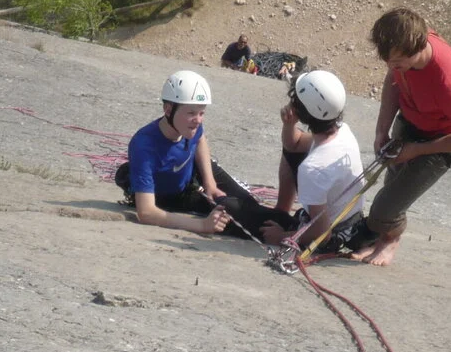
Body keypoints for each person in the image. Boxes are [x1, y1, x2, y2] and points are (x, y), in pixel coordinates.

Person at [351, 8, 451, 266]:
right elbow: (393, 77)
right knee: (390, 193)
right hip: (411, 121)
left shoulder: (449, 81)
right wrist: (382, 130)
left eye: (397, 62)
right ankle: (384, 238)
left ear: (417, 48)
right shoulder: (404, 50)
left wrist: (415, 150)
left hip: (442, 141)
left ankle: (391, 240)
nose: (392, 68)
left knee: (384, 209)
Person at [118, 70, 270, 237]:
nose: (198, 120)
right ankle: (281, 236)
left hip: (192, 173)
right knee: (233, 210)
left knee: (248, 203)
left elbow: (200, 139)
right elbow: (146, 212)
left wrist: (210, 183)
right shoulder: (144, 145)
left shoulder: (190, 126)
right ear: (168, 110)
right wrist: (202, 225)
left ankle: (292, 226)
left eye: (201, 113)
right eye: (191, 113)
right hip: (172, 196)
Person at [258, 70, 372, 253]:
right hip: (350, 221)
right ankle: (281, 209)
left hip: (333, 233)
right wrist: (289, 125)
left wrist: (281, 237)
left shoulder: (312, 168)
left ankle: (280, 214)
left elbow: (323, 233)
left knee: (238, 210)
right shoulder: (342, 131)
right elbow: (293, 145)